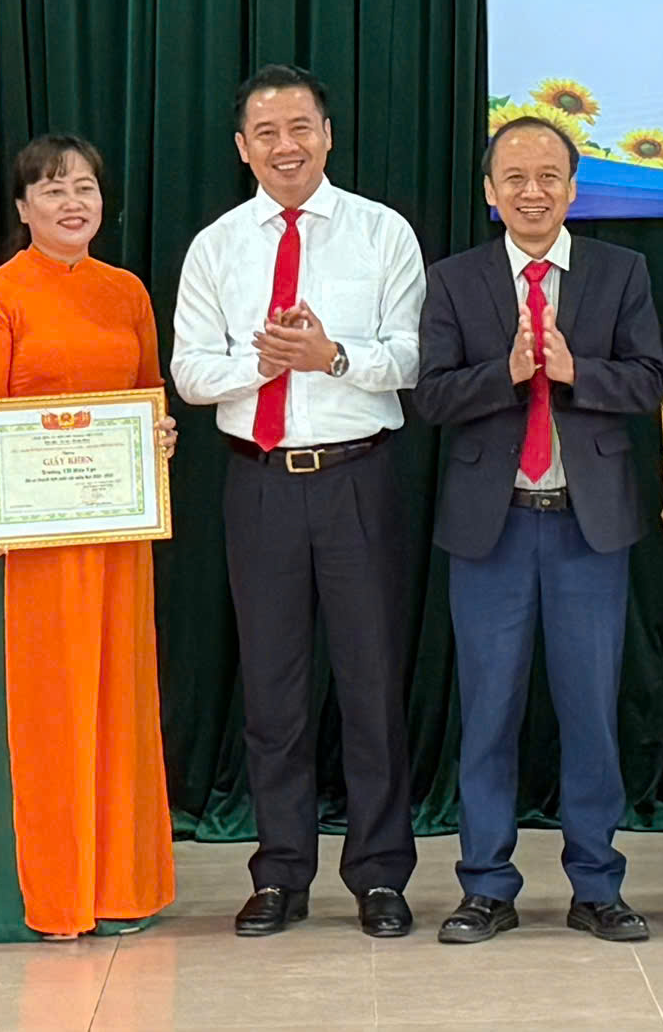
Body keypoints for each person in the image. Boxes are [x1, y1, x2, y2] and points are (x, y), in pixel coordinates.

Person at [171, 66, 428, 939]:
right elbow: (190, 372)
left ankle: (381, 874)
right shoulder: (217, 246)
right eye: (267, 133)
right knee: (273, 688)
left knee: (371, 682)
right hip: (260, 483)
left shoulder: (381, 232)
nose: (286, 147)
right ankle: (280, 871)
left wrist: (332, 357)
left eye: (300, 128)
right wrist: (266, 364)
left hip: (359, 478)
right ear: (243, 148)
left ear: (328, 135)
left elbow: (412, 356)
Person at [416, 117, 663, 945]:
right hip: (490, 532)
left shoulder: (620, 272)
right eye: (515, 178)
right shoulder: (455, 280)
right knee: (488, 712)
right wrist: (509, 373)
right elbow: (432, 396)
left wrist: (572, 371)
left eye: (549, 176)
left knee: (591, 712)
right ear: (491, 191)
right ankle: (486, 886)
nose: (533, 191)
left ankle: (598, 885)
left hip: (587, 530)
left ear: (572, 188)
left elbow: (649, 382)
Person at [0, 134, 183, 941]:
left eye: (84, 186)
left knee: (118, 704)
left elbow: (149, 394)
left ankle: (119, 888)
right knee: (48, 709)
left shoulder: (126, 293)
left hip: (117, 535)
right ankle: (46, 896)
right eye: (52, 190)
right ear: (22, 208)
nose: (72, 202)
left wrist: (159, 436)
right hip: (34, 545)